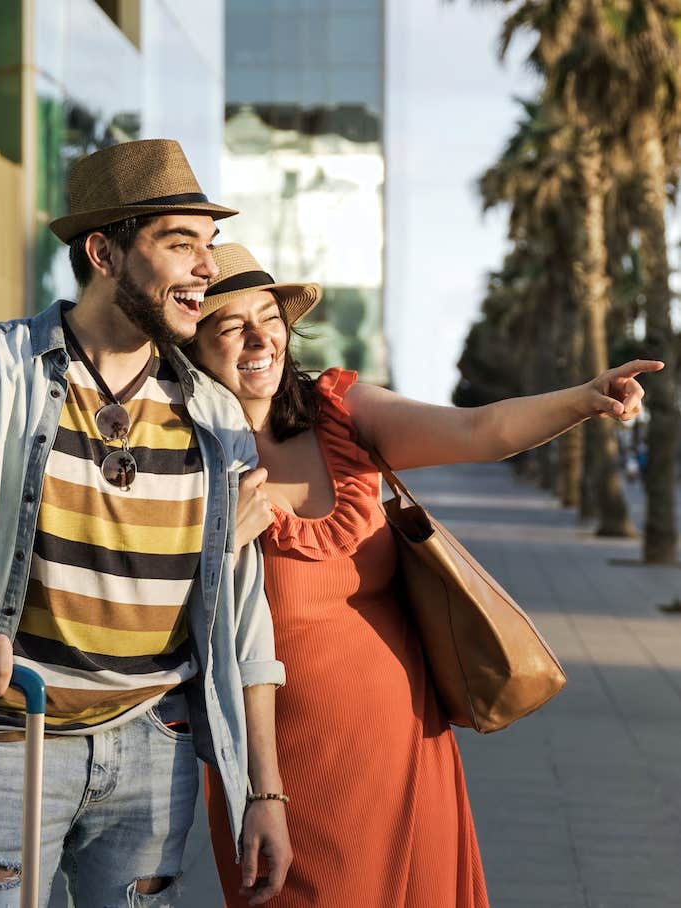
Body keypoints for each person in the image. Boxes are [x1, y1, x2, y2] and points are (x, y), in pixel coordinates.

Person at [0, 143, 291, 907]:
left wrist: (265, 794)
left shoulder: (214, 412)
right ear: (104, 251)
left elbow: (244, 624)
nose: (206, 266)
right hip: (12, 736)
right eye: (180, 243)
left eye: (209, 244)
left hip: (154, 746)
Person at [190, 242, 661, 908]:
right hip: (278, 760)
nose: (258, 338)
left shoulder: (340, 412)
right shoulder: (179, 453)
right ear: (191, 346)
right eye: (230, 326)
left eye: (268, 316)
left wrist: (584, 399)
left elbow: (477, 429)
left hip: (398, 734)